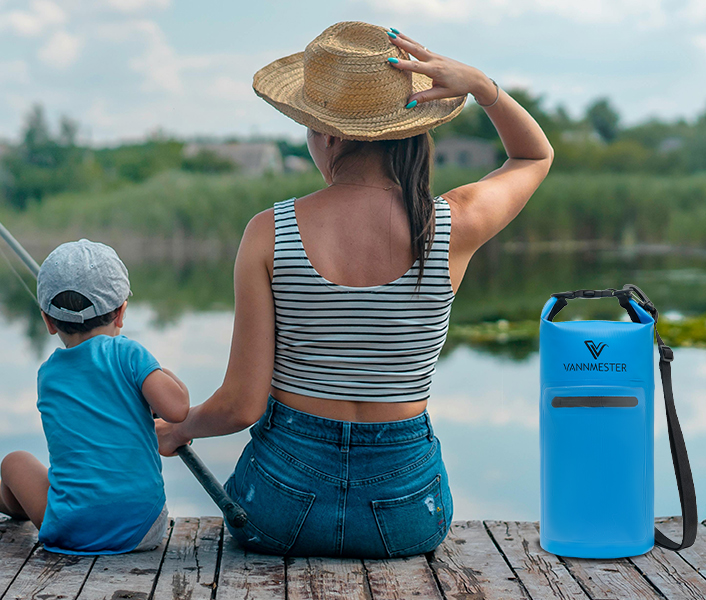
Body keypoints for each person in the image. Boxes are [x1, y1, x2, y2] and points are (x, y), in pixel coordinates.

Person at [154, 21, 554, 557]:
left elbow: (241, 406)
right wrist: (483, 87)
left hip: (277, 508)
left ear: (331, 135)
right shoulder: (452, 225)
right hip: (409, 512)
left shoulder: (270, 232)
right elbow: (533, 156)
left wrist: (181, 429)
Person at [0, 239, 191, 554]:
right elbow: (178, 409)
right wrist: (156, 370)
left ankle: (11, 504)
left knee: (14, 462)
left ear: (47, 321)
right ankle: (16, 504)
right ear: (120, 313)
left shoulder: (48, 375)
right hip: (144, 528)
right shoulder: (130, 355)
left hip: (70, 530)